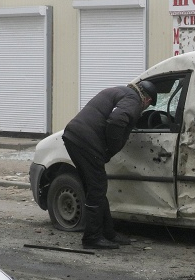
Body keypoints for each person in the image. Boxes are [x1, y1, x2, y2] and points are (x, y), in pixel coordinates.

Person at [62, 81, 158, 250]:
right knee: (97, 188)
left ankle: (107, 233)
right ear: (148, 100)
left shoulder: (121, 91)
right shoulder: (134, 100)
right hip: (86, 142)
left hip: (74, 136)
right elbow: (116, 120)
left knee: (95, 187)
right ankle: (92, 238)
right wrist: (111, 149)